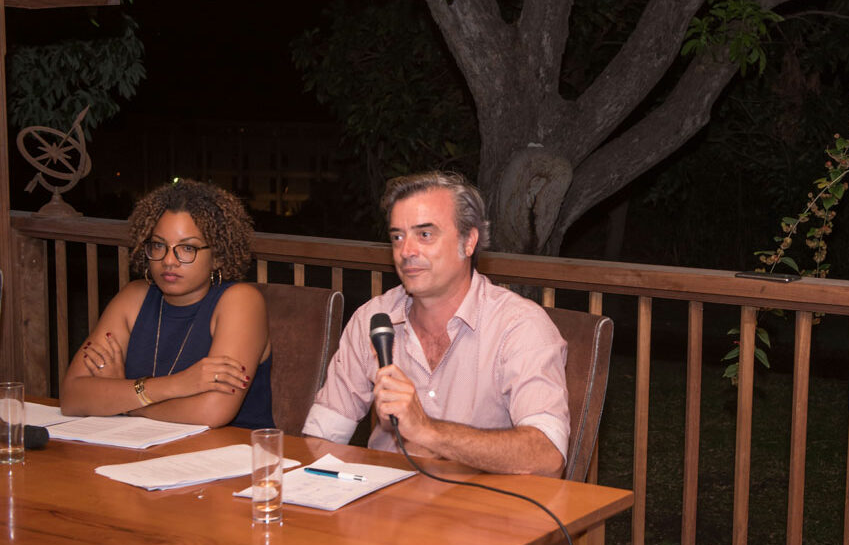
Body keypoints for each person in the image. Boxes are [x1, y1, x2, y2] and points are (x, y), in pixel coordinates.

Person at [303, 171, 569, 477]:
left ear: (468, 241)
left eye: (425, 235)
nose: (406, 251)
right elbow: (320, 439)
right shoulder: (373, 319)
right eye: (397, 237)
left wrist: (428, 431)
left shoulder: (519, 327)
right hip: (385, 512)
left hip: (485, 514)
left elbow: (547, 456)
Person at [59, 179, 273, 429]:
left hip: (230, 456)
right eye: (159, 245)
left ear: (217, 257)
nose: (169, 261)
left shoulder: (240, 302)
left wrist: (122, 400)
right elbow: (72, 396)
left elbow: (212, 413)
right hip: (143, 451)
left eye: (187, 248)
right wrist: (178, 384)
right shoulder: (133, 298)